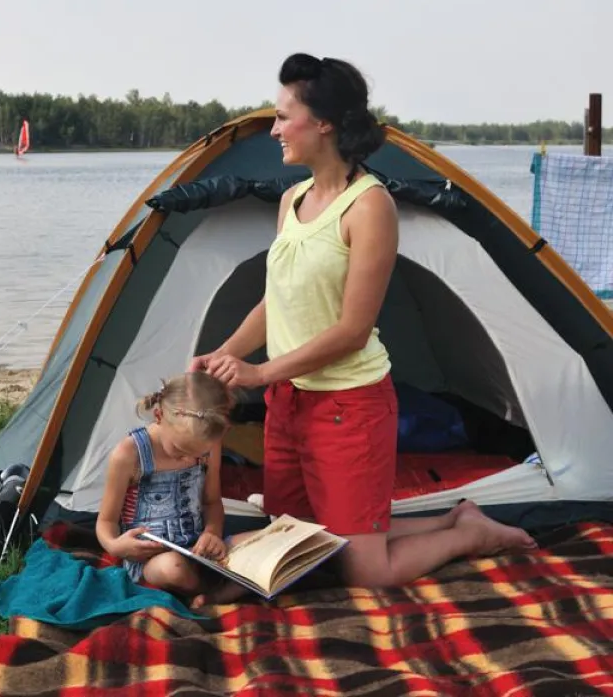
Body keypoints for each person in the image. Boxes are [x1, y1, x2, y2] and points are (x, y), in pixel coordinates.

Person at [190, 53, 536, 589]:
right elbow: (276, 300)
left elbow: (353, 330)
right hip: (290, 405)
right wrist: (227, 354)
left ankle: (473, 535)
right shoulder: (291, 200)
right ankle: (452, 516)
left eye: (284, 116)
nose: (274, 129)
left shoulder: (369, 206)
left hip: (348, 406)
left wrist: (260, 374)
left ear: (324, 123)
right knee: (299, 539)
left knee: (363, 571)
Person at [95, 371, 242, 608]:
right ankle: (219, 593)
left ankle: (217, 589)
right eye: (179, 449)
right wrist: (116, 546)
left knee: (266, 542)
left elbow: (212, 502)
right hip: (151, 560)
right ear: (159, 415)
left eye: (198, 453)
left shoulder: (210, 447)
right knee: (172, 569)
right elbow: (105, 522)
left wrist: (212, 532)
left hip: (199, 549)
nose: (188, 458)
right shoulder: (128, 455)